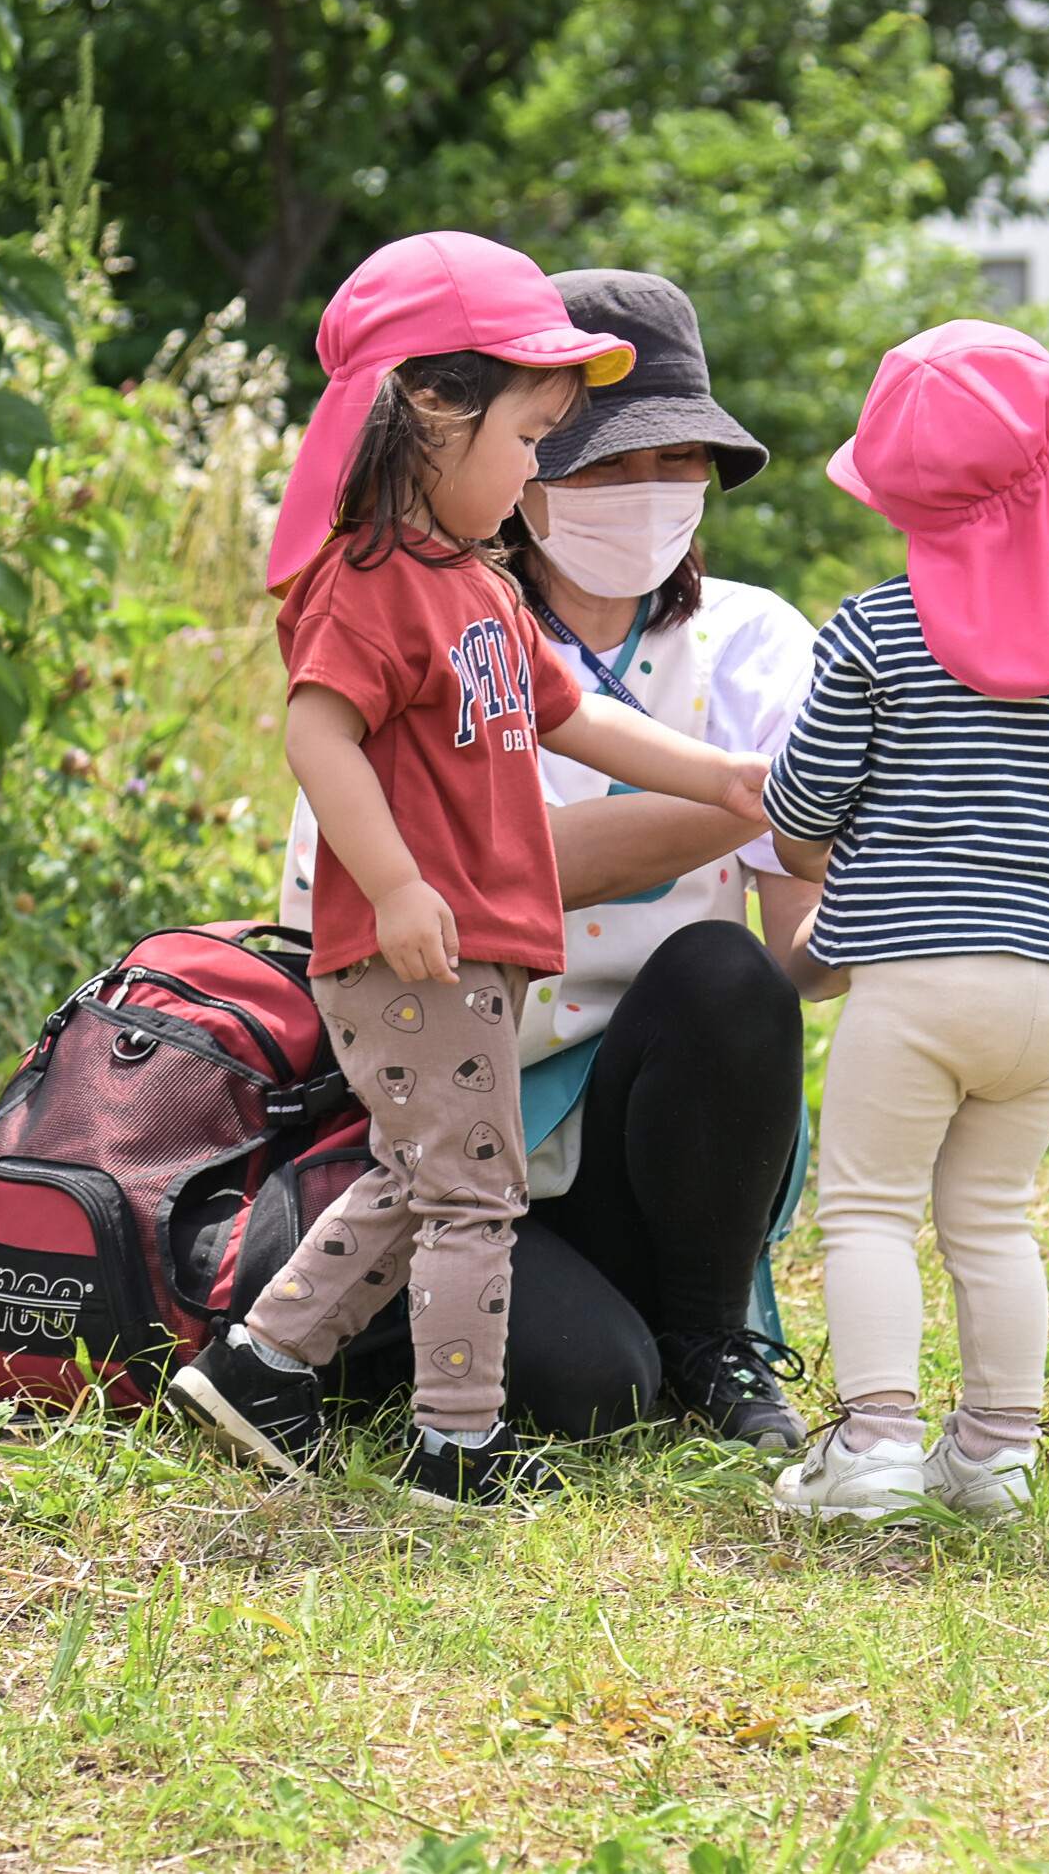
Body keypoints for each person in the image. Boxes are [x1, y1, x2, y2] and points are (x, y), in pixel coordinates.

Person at [166, 233, 770, 1509]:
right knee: (468, 1195)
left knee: (434, 1183)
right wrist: (392, 882)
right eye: (530, 440)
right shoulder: (374, 584)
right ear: (429, 411)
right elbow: (315, 730)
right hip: (406, 955)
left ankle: (264, 1365)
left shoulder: (475, 587)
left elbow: (578, 722)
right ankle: (455, 1442)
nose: (538, 468)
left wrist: (717, 778)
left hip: (477, 959)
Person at [759, 321, 1049, 1523]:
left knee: (869, 1213)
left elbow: (801, 808)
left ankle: (878, 1447)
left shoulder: (874, 633)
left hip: (910, 980)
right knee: (993, 1220)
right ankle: (996, 1453)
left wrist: (810, 855)